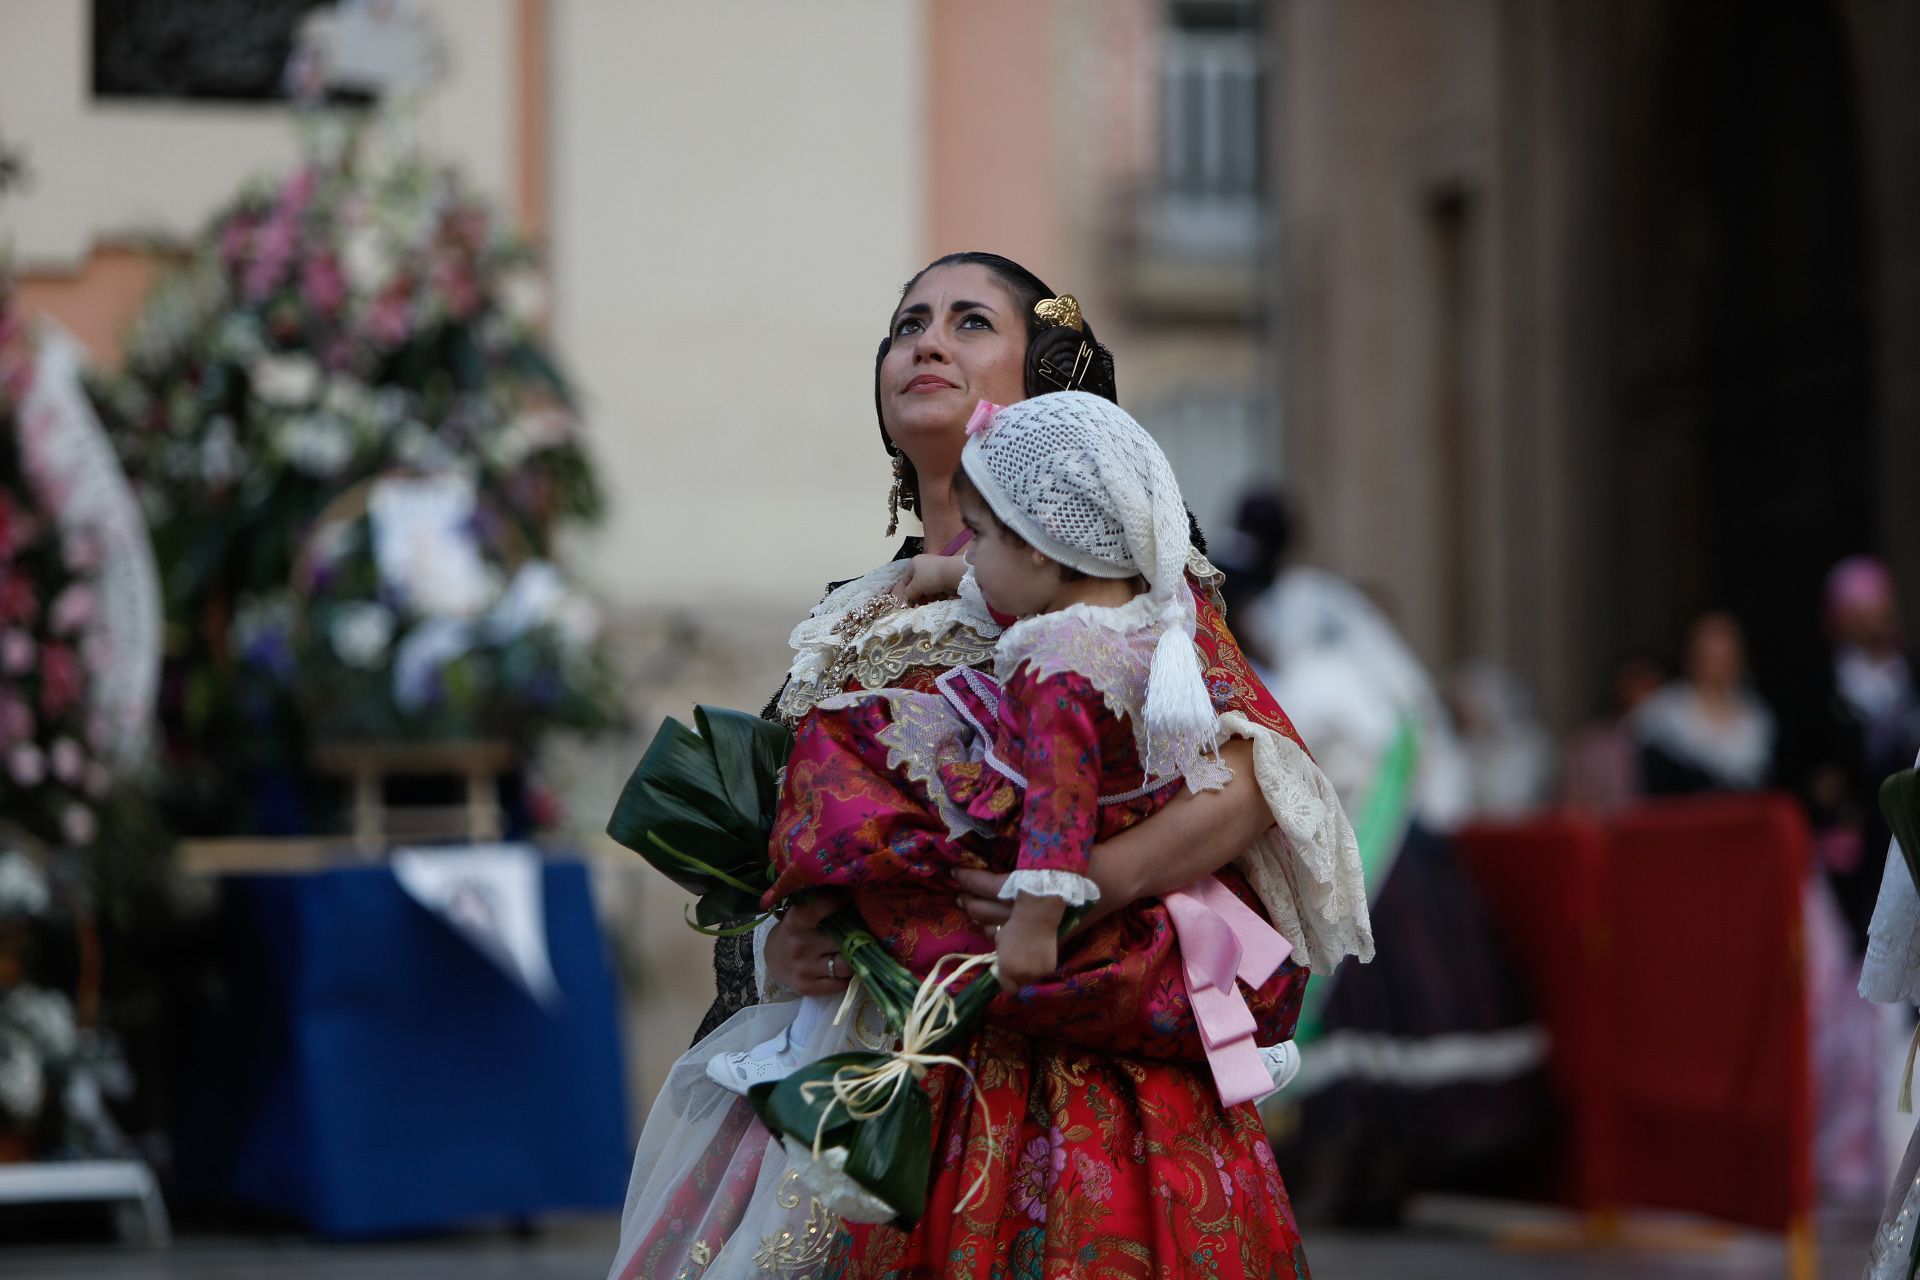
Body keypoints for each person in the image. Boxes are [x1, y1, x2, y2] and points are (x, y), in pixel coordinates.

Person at [611, 254, 1368, 1279]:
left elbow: (1252, 777)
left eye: (971, 322)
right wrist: (780, 946)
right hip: (865, 1087)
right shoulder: (850, 614)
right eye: (908, 322)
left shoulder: (1120, 584)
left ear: (1047, 387)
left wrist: (1079, 888)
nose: (927, 340)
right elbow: (788, 850)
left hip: (1078, 1080)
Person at [1631, 611, 1775, 795]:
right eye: (1709, 655)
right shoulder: (1664, 708)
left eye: (1724, 656)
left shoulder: (1756, 714)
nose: (1716, 665)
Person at [1559, 650, 1668, 814]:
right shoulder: (1592, 744)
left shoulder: (1673, 742)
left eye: (1652, 686)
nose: (1645, 695)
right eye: (1636, 682)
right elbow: (1574, 807)